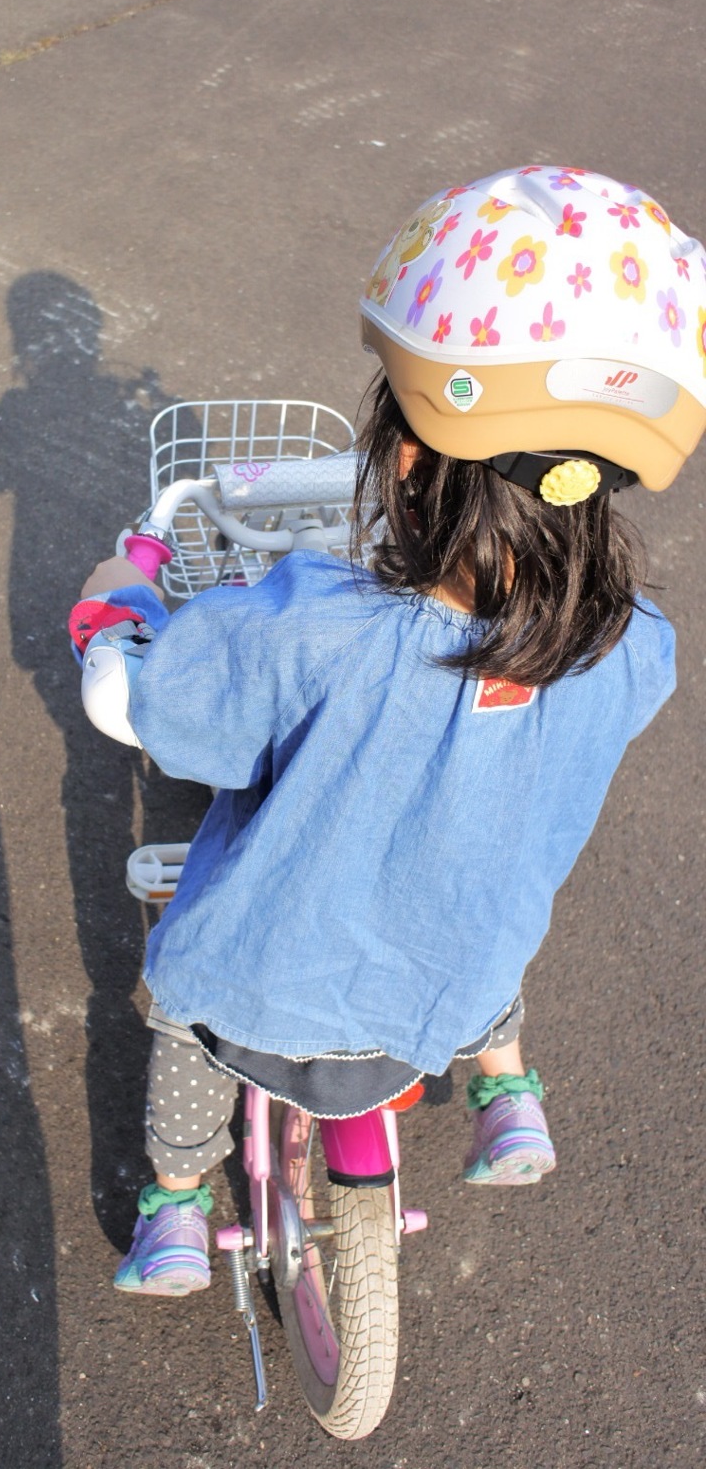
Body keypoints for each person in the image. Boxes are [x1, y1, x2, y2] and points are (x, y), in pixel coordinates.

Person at [70, 166, 706, 1296]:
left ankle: (172, 1201)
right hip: (447, 987)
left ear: (404, 456)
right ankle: (506, 1090)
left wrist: (120, 605)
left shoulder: (309, 627)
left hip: (261, 986)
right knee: (488, 863)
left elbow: (158, 706)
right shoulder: (633, 645)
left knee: (183, 1006)